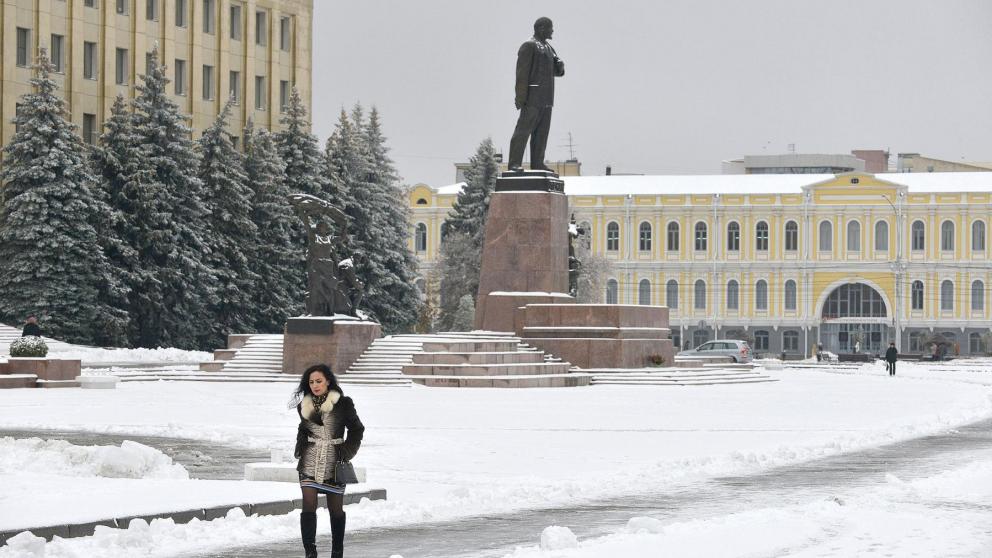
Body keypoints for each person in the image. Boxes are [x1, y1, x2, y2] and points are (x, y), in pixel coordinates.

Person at [292, 364, 364, 558]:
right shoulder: (304, 405)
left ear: (328, 381)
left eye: (319, 381)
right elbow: (303, 429)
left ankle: (337, 552)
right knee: (308, 504)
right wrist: (300, 449)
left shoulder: (343, 403)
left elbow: (357, 430)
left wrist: (346, 452)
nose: (315, 385)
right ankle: (310, 552)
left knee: (336, 510)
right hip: (309, 461)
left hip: (334, 462)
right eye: (311, 382)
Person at [507, 17, 565, 171]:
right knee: (523, 132)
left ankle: (537, 163)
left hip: (546, 99)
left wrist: (560, 66)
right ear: (541, 28)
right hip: (532, 98)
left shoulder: (549, 47)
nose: (552, 31)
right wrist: (520, 98)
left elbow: (556, 72)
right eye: (550, 27)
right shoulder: (529, 45)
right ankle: (514, 164)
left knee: (541, 133)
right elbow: (522, 74)